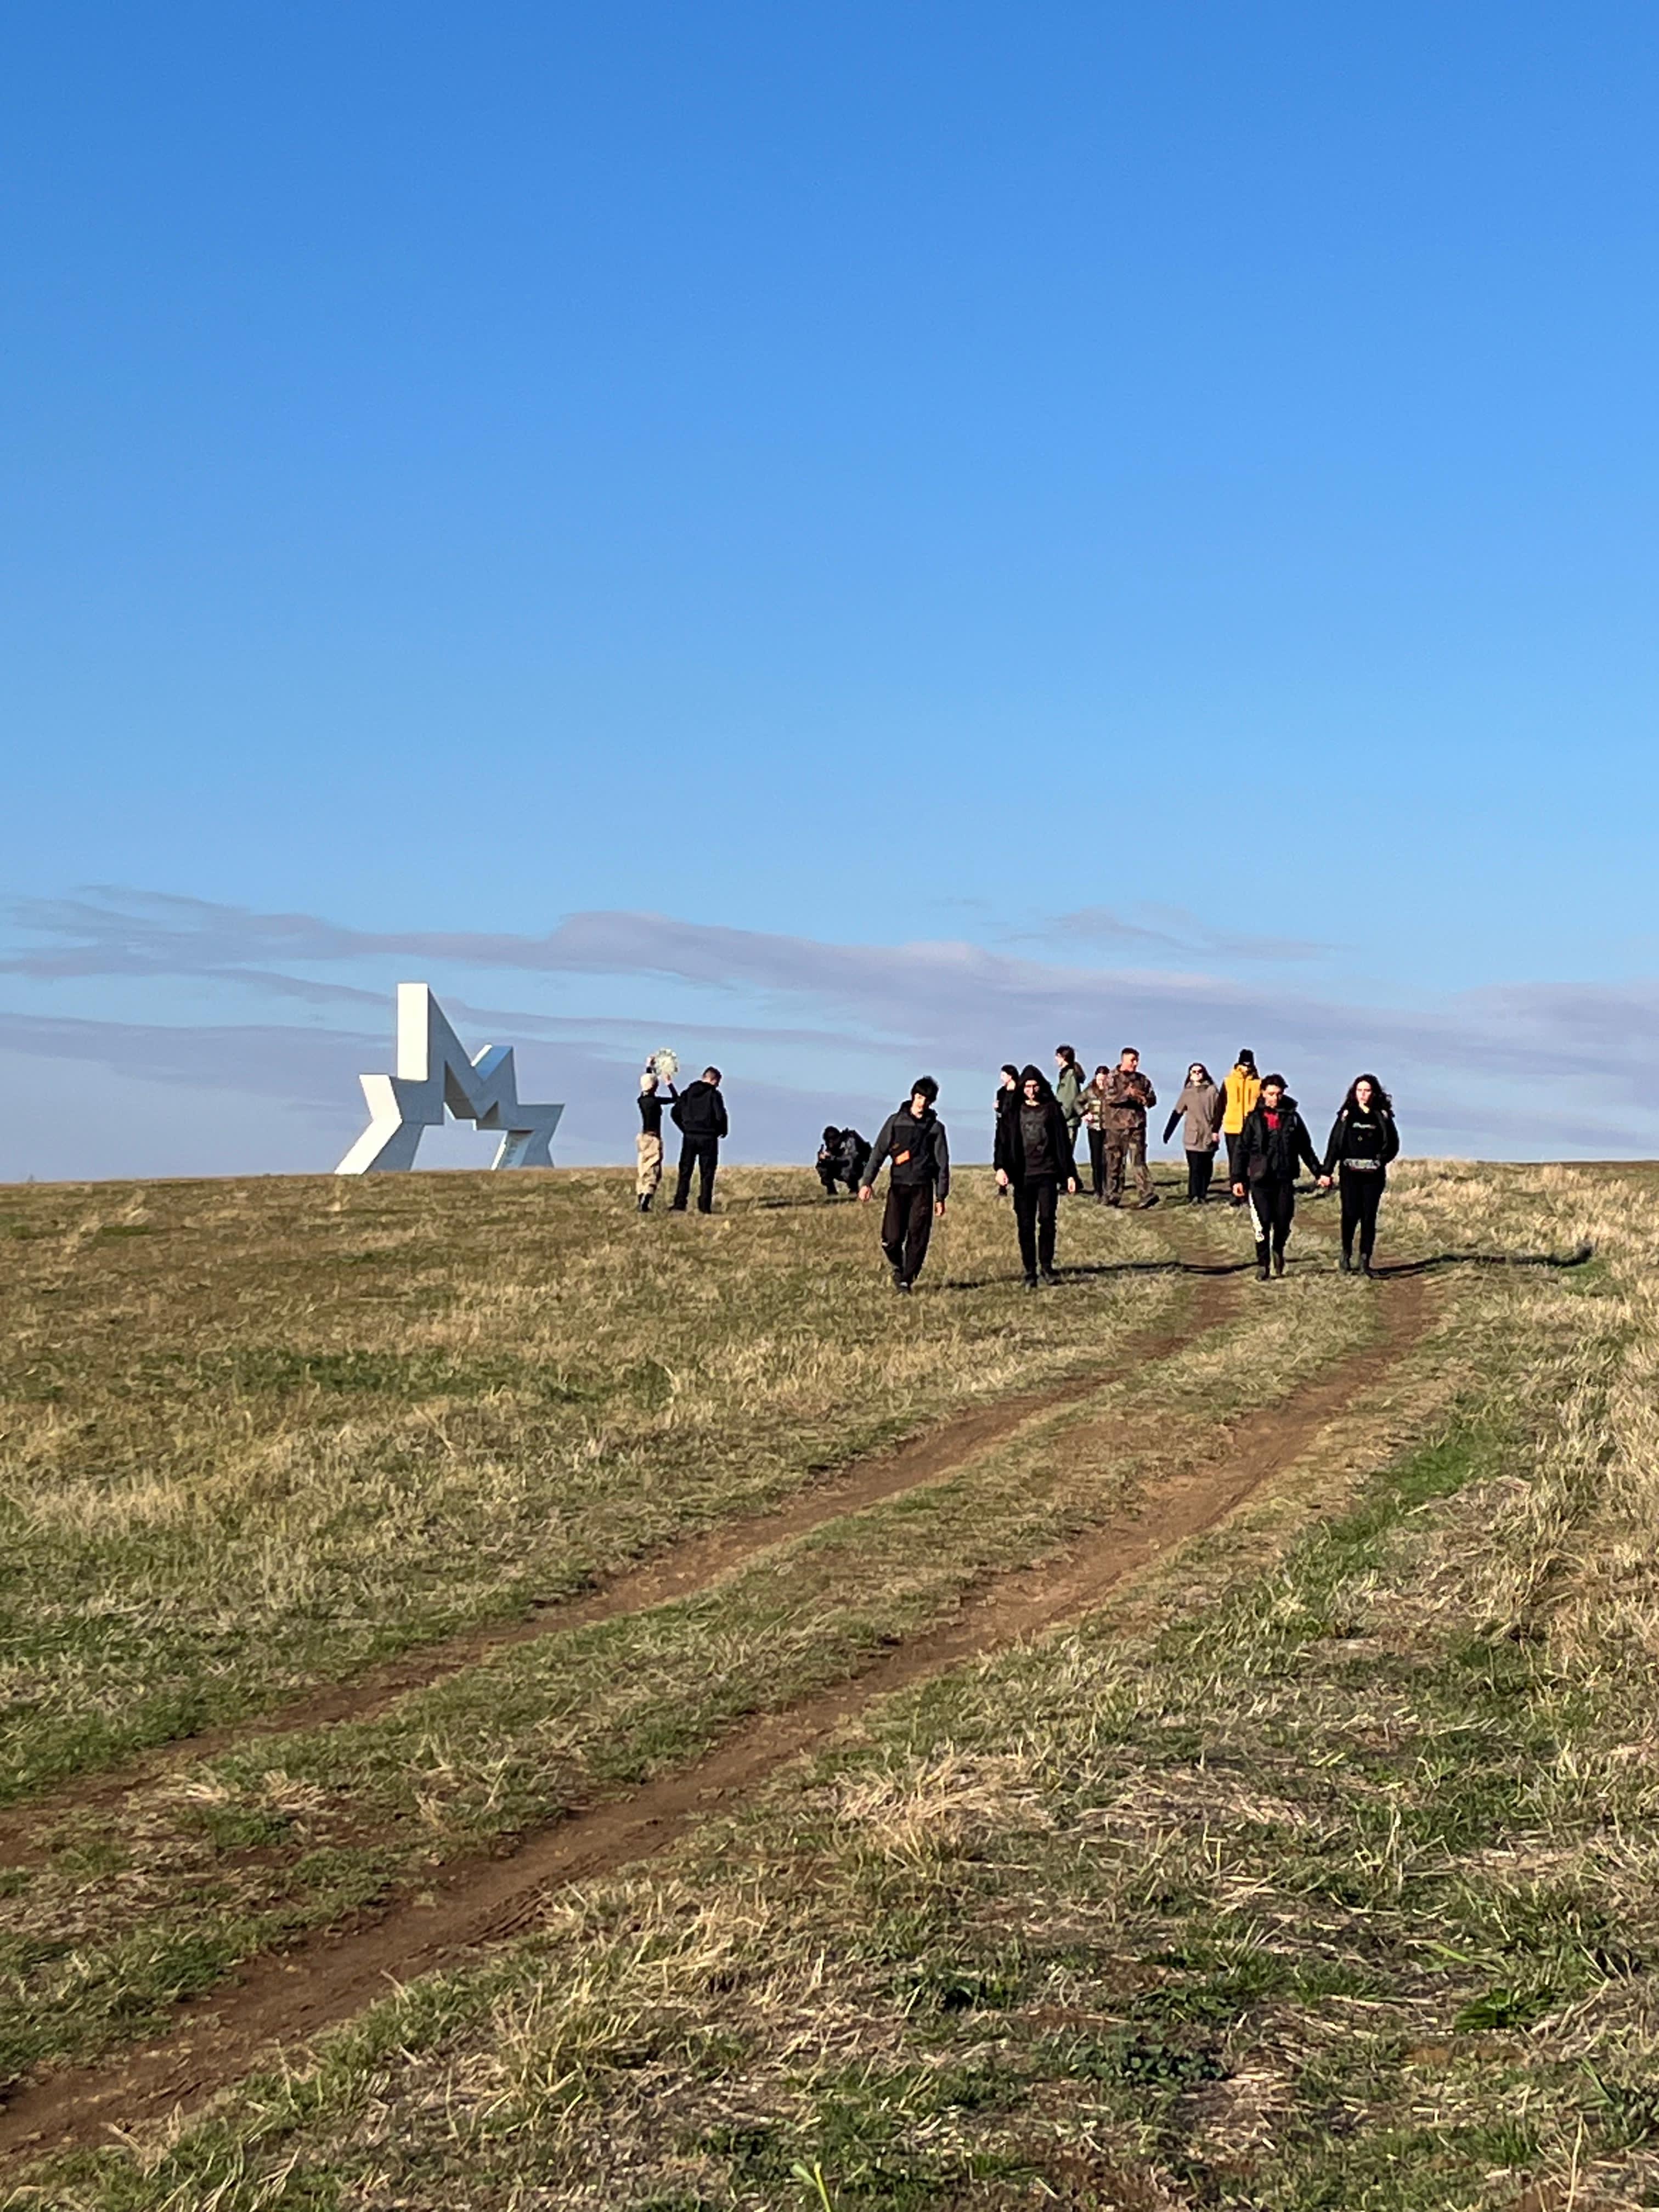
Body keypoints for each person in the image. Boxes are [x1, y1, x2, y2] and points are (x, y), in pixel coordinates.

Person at [1231, 1074, 1329, 1278]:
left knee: (1283, 1221)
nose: (1275, 1098)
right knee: (1263, 1222)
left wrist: (1319, 1173)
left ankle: (1278, 1249)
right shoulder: (1253, 1119)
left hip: (1284, 1178)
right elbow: (1241, 1149)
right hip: (1259, 1179)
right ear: (1263, 1094)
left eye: (1278, 1094)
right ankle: (1263, 1264)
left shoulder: (1293, 1118)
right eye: (1271, 1094)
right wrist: (1237, 1178)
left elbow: (1305, 1148)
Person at [859, 1078, 950, 1292]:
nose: (921, 1103)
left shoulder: (936, 1129)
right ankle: (898, 1266)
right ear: (912, 1096)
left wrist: (941, 1196)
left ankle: (906, 1280)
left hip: (923, 1188)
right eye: (919, 1098)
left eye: (926, 1100)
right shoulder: (895, 1122)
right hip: (898, 1187)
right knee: (890, 1239)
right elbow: (878, 1153)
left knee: (918, 1237)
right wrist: (867, 1182)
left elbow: (942, 1164)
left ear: (932, 1102)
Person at [994, 1064, 1078, 1288]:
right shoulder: (1013, 1110)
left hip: (1047, 1174)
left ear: (1040, 1086)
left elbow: (1063, 1145)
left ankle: (1047, 1266)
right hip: (1023, 1176)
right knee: (1025, 1224)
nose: (1031, 1090)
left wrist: (1069, 1175)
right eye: (1027, 1087)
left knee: (1048, 1220)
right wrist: (1000, 1168)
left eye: (1035, 1086)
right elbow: (1001, 1141)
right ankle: (1029, 1271)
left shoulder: (1051, 1109)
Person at [1323, 1075, 1400, 1275]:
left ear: (1374, 1093)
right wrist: (1327, 1171)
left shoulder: (1382, 1116)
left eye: (1367, 1091)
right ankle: (1346, 1253)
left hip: (1373, 1176)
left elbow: (1393, 1144)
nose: (1363, 1094)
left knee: (1369, 1217)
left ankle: (1365, 1260)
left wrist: (1381, 1160)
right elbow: (1335, 1144)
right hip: (1350, 1174)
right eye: (1360, 1090)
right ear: (1354, 1092)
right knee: (1350, 1214)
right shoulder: (1347, 1116)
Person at [1100, 1047, 1158, 1209]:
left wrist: (1145, 1098)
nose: (1135, 1063)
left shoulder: (1143, 1080)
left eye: (1137, 1060)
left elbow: (1152, 1099)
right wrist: (1128, 1094)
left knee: (1139, 1161)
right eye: (1132, 1060)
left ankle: (1147, 1194)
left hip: (1137, 1126)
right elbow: (1109, 1098)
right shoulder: (1112, 1077)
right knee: (1115, 1163)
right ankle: (1113, 1196)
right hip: (1116, 1127)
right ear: (1123, 1060)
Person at [669, 1066, 729, 1214]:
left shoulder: (688, 1093)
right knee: (707, 1173)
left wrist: (685, 1128)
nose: (718, 1085)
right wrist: (721, 1131)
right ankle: (704, 1206)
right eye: (718, 1082)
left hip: (689, 1137)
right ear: (713, 1080)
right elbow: (720, 1116)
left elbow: (675, 1112)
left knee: (685, 1171)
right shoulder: (714, 1095)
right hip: (708, 1137)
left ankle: (680, 1203)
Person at [1162, 1063, 1222, 1204]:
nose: (1197, 1074)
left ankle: (1202, 1194)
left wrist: (1216, 1130)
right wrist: (1168, 1133)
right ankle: (1193, 1196)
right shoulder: (1187, 1092)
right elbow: (1177, 1113)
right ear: (1189, 1075)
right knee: (1195, 1168)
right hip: (1192, 1137)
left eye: (1200, 1071)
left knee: (1206, 1168)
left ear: (1204, 1073)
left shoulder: (1213, 1091)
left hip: (1209, 1136)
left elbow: (1220, 1112)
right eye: (1193, 1072)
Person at [1217, 1050, 1262, 1205]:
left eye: (1249, 1064)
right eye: (1244, 1064)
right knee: (1236, 1162)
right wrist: (1214, 1129)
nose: (1246, 1067)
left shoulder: (1259, 1083)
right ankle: (1237, 1194)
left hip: (1253, 1130)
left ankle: (1251, 1193)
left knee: (1252, 1163)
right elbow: (1220, 1106)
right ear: (1238, 1064)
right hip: (1232, 1128)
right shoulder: (1228, 1082)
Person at [635, 1062, 677, 1213]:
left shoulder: (642, 1101)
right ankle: (645, 1202)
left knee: (643, 1170)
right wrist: (669, 1083)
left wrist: (649, 1068)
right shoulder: (655, 1102)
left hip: (642, 1138)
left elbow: (647, 1085)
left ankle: (641, 1199)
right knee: (653, 1171)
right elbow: (675, 1099)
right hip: (653, 1139)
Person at [1054, 1045, 1086, 1190]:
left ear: (1063, 1057)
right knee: (1063, 1152)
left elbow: (1070, 1099)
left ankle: (1069, 1182)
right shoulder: (1066, 1074)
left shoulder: (1070, 1075)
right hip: (1065, 1120)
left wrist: (1060, 1116)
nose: (1055, 1060)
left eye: (1057, 1056)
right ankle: (1070, 1181)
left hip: (1068, 1121)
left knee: (1065, 1153)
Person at [816, 1125, 871, 1198]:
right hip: (842, 1167)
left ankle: (854, 1189)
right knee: (822, 1166)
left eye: (831, 1140)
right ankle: (831, 1190)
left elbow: (850, 1160)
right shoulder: (832, 1146)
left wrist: (832, 1158)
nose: (830, 1143)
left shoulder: (850, 1141)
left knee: (849, 1167)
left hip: (861, 1167)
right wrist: (823, 1160)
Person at [994, 1064, 1020, 1196]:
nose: (1001, 1078)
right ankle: (1002, 1186)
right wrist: (997, 1109)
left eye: (1004, 1075)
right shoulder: (1001, 1092)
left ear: (1010, 1076)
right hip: (1003, 1127)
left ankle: (1017, 1184)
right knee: (1002, 1154)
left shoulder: (1020, 1092)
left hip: (1017, 1128)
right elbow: (1000, 1111)